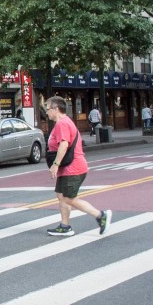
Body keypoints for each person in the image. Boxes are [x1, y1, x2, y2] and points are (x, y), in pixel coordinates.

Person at [45, 96, 112, 237]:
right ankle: (65, 226)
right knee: (61, 195)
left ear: (56, 109)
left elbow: (64, 144)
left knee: (68, 198)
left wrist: (55, 165)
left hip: (72, 168)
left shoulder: (62, 123)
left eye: (48, 109)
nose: (46, 112)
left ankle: (100, 216)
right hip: (69, 168)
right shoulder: (63, 122)